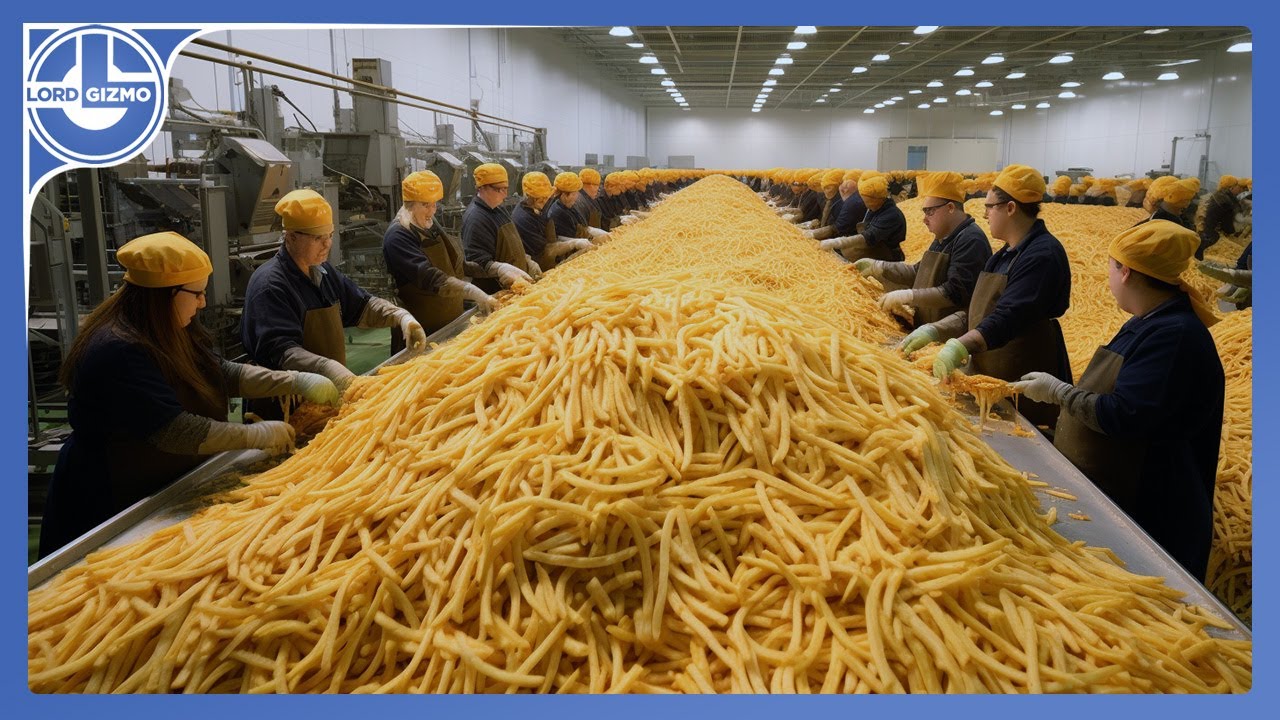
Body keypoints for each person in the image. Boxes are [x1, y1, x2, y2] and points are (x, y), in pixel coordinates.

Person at [39, 232, 338, 557]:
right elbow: (176, 432)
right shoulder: (118, 349)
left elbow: (221, 373)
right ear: (164, 294)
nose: (203, 302)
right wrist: (256, 434)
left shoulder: (168, 328)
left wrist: (293, 381)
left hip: (160, 480)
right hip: (111, 495)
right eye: (196, 293)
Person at [1011, 221, 1224, 581]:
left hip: (1153, 511)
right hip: (1127, 488)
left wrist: (1059, 392)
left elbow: (1125, 414)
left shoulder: (1173, 336)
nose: (1107, 277)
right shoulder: (1149, 323)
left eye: (1110, 267)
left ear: (1125, 272)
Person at [905, 164, 1073, 430]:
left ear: (1010, 208)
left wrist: (958, 346)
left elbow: (1006, 318)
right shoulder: (1005, 254)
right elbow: (979, 310)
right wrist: (936, 330)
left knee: (1025, 439)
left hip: (1021, 372)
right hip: (994, 369)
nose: (984, 214)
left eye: (989, 206)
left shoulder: (1042, 255)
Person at [242, 189, 426, 401]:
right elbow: (282, 352)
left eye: (329, 236)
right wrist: (328, 368)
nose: (327, 244)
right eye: (318, 238)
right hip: (287, 405)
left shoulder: (322, 272)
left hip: (328, 397)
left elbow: (363, 305)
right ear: (291, 237)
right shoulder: (270, 285)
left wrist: (400, 317)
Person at [854, 171, 992, 328]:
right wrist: (878, 267)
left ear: (951, 208)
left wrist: (909, 296)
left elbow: (954, 293)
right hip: (929, 324)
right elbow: (918, 271)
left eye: (930, 211)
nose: (924, 219)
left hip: (947, 333)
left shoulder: (970, 240)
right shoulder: (944, 237)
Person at [383, 171, 495, 352]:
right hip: (423, 333)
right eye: (425, 205)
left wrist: (495, 268)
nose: (432, 211)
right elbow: (430, 277)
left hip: (449, 326)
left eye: (434, 204)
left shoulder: (428, 225)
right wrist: (471, 291)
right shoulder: (398, 236)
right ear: (409, 204)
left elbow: (456, 264)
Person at [461, 163, 539, 295]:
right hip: (496, 291)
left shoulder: (498, 209)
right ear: (482, 188)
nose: (505, 194)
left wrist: (526, 260)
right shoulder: (476, 218)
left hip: (515, 286)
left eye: (506, 189)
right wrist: (500, 269)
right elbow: (475, 264)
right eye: (499, 189)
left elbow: (512, 244)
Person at [818, 172, 907, 262]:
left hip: (887, 257)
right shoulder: (874, 209)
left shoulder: (891, 215)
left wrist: (839, 242)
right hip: (873, 250)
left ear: (878, 199)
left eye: (869, 202)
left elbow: (869, 236)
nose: (867, 206)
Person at [541, 171, 601, 267]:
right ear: (564, 195)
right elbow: (559, 241)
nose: (576, 198)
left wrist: (591, 231)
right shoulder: (557, 212)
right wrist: (575, 242)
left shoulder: (569, 206)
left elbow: (579, 227)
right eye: (573, 195)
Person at [1195, 175, 1247, 260]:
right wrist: (1232, 232)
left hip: (1207, 227)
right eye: (1237, 186)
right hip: (1210, 232)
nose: (1239, 189)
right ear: (1231, 188)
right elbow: (1227, 224)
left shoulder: (1219, 195)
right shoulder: (1226, 201)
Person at [803, 169, 846, 241]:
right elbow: (817, 212)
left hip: (835, 238)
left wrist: (818, 233)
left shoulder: (842, 202)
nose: (825, 191)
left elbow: (839, 226)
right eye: (824, 188)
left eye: (828, 188)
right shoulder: (821, 196)